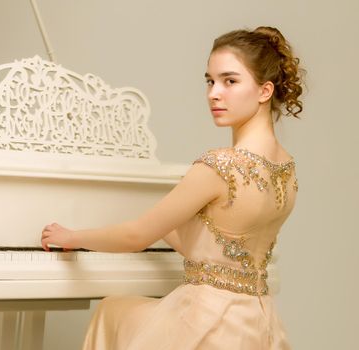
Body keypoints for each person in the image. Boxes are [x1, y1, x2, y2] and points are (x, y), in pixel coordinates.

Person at [41, 26, 304, 350]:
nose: (214, 93)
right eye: (210, 80)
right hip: (258, 323)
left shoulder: (219, 166)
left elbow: (136, 236)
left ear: (264, 91)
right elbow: (222, 249)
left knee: (113, 310)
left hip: (209, 322)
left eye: (230, 81)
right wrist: (169, 225)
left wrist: (72, 237)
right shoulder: (287, 169)